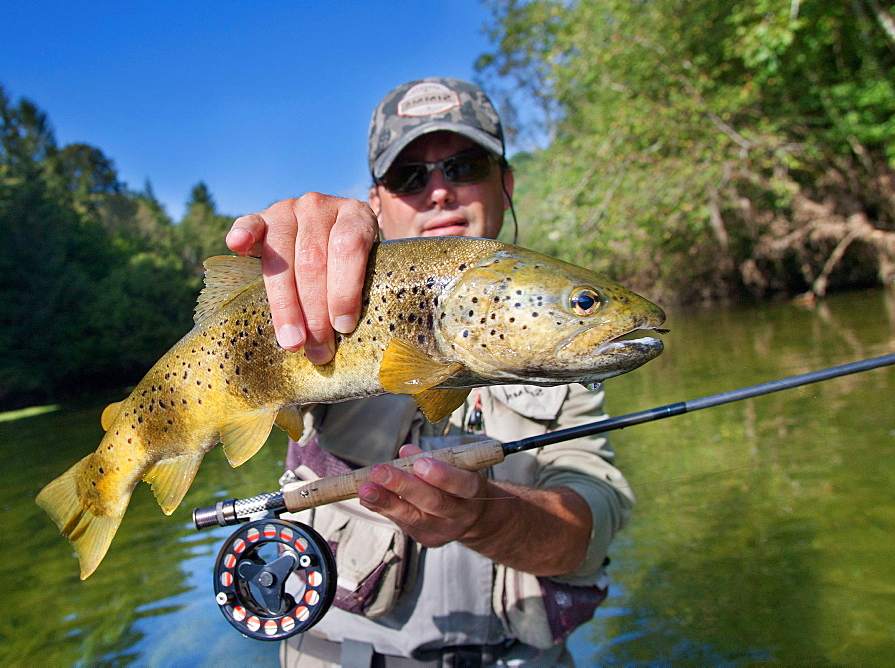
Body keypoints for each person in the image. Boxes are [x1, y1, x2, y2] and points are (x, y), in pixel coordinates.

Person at [225, 78, 635, 667]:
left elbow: (589, 521)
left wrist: (488, 516)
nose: (438, 192)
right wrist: (297, 255)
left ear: (506, 184)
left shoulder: (564, 347)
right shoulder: (318, 305)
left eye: (463, 166)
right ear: (376, 201)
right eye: (409, 177)